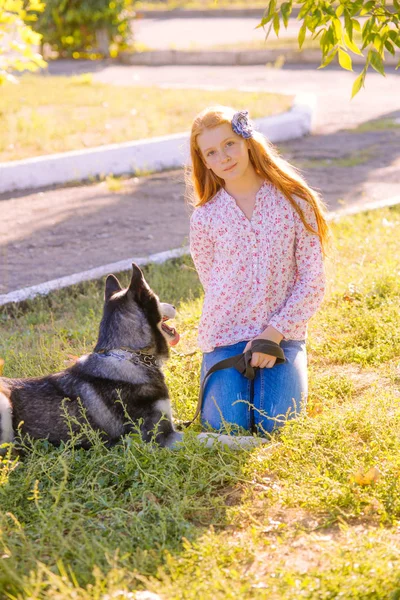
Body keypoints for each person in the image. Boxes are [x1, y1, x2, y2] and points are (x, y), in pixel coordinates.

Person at [187, 105, 329, 435]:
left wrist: (273, 333)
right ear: (204, 162)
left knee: (275, 425)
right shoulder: (205, 219)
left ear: (247, 141)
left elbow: (313, 279)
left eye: (229, 144)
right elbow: (212, 281)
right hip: (225, 337)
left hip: (282, 335)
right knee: (226, 428)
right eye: (211, 152)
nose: (223, 157)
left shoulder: (294, 200)